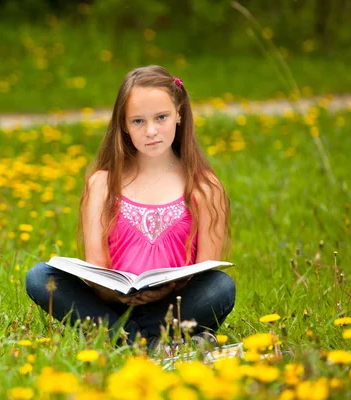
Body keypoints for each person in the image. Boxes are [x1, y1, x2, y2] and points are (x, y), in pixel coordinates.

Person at [25, 65, 236, 348]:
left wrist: (167, 290)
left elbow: (205, 273)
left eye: (161, 117)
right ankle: (153, 343)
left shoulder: (204, 187)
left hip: (174, 309)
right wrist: (119, 296)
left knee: (221, 287)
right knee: (40, 277)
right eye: (138, 121)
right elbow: (97, 271)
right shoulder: (103, 184)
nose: (151, 131)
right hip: (111, 307)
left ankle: (124, 341)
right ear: (123, 124)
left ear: (179, 114)